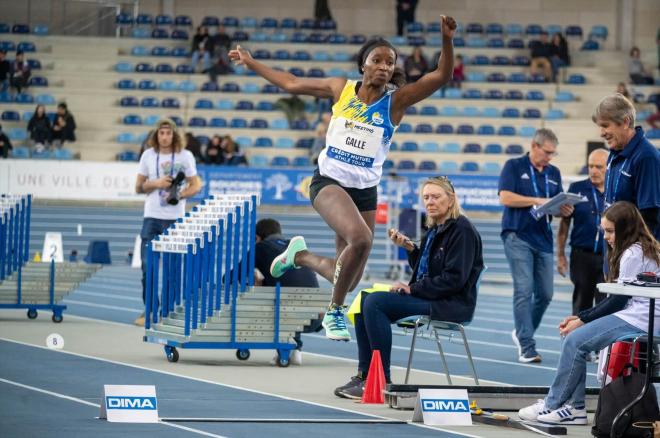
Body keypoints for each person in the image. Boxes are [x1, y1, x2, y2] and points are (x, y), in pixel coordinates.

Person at [229, 16, 457, 341]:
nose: (383, 66)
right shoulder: (340, 88)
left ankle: (299, 256)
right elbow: (292, 82)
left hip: (365, 190)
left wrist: (446, 39)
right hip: (329, 182)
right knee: (361, 240)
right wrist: (251, 63)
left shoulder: (396, 102)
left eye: (389, 62)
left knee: (347, 276)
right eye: (376, 60)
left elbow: (441, 75)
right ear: (363, 64)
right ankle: (334, 311)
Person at [334, 176, 484, 399]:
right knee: (366, 298)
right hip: (433, 296)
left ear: (451, 199)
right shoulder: (435, 228)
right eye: (426, 197)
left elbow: (454, 280)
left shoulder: (462, 230)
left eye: (436, 196)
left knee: (376, 303)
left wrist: (413, 289)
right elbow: (427, 269)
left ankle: (381, 379)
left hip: (450, 303)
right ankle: (365, 375)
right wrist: (411, 249)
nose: (430, 202)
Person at [519, 201, 660, 425]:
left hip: (641, 319)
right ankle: (574, 408)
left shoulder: (633, 253)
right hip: (639, 315)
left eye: (611, 231)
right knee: (573, 336)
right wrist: (581, 318)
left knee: (575, 340)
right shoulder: (643, 247)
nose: (605, 236)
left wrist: (582, 319)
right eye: (604, 230)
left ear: (626, 229)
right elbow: (619, 298)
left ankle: (553, 404)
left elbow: (618, 300)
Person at [499, 128, 574, 363]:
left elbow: (556, 203)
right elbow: (505, 198)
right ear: (534, 145)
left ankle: (522, 330)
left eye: (553, 154)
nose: (550, 157)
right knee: (524, 289)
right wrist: (536, 200)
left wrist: (564, 210)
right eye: (547, 152)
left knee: (545, 294)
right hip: (517, 235)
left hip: (543, 238)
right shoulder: (514, 165)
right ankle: (526, 344)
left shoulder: (554, 172)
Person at [133, 118, 201, 326]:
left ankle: (169, 311)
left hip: (175, 220)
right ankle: (150, 311)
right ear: (156, 135)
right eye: (161, 133)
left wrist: (180, 195)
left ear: (174, 135)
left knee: (173, 269)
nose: (164, 137)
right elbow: (138, 187)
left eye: (168, 133)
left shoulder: (185, 155)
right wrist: (157, 183)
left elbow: (196, 184)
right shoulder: (148, 155)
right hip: (152, 218)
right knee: (148, 267)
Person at [253, 218, 322, 366]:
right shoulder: (298, 248)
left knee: (279, 297)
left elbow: (232, 277)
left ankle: (288, 349)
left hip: (290, 314)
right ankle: (296, 348)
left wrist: (256, 281)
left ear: (258, 237)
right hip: (318, 317)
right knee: (288, 293)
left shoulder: (260, 248)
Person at [592, 94, 660, 239]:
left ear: (625, 122)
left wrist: (634, 254)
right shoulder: (615, 152)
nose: (601, 133)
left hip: (633, 252)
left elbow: (649, 216)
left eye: (605, 125)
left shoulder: (646, 157)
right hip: (614, 250)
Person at [557, 149, 608, 314]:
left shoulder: (617, 191)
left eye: (599, 167)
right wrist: (560, 255)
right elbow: (564, 224)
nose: (593, 171)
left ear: (609, 168)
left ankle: (603, 341)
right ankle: (577, 340)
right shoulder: (576, 188)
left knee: (604, 306)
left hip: (608, 256)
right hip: (581, 257)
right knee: (581, 307)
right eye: (591, 166)